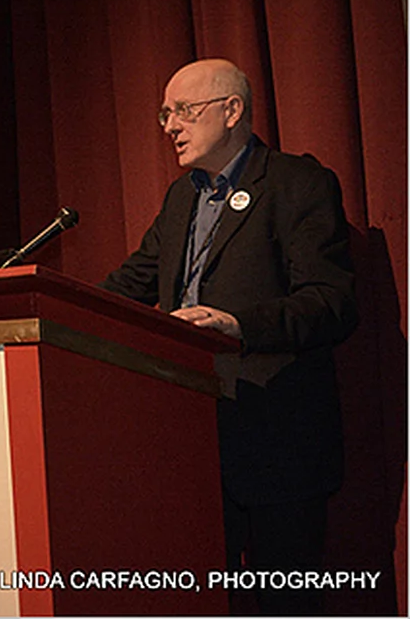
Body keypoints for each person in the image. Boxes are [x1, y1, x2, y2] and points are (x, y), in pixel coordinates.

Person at [100, 58, 358, 616]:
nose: (169, 125)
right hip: (190, 441)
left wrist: (238, 327)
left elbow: (331, 303)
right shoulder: (179, 200)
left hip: (277, 441)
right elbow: (129, 285)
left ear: (232, 110)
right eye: (165, 113)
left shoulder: (297, 184)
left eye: (183, 111)